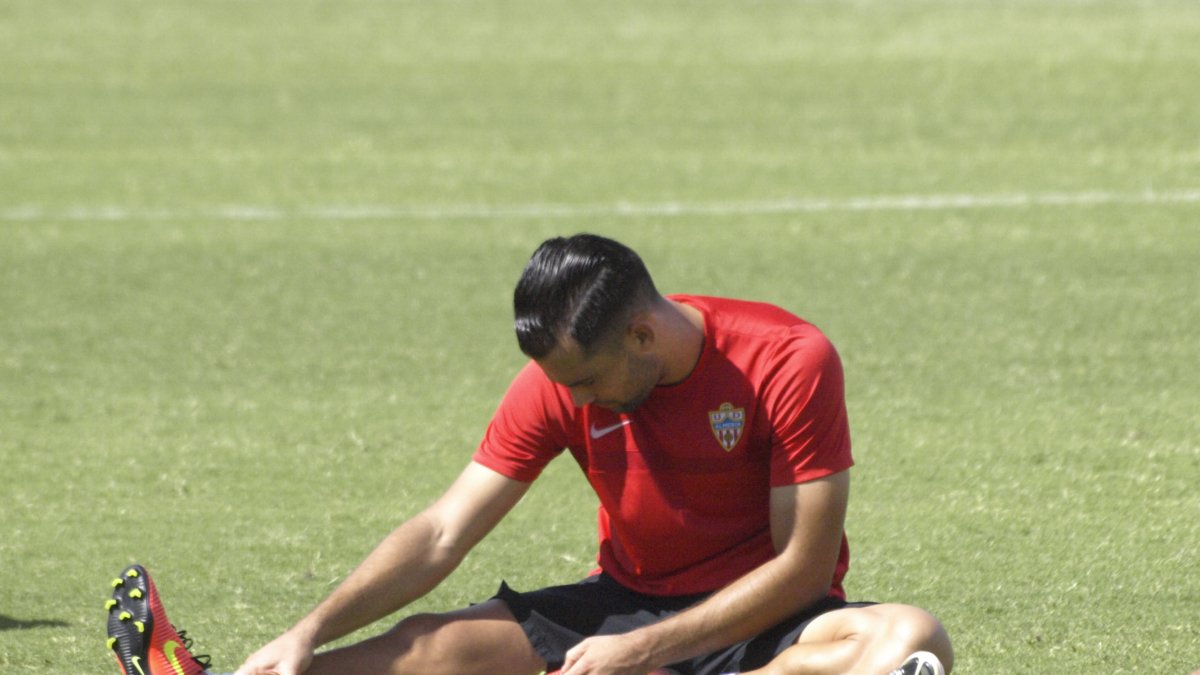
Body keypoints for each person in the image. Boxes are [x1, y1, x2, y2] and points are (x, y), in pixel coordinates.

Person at [105, 233, 953, 675]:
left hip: (764, 619)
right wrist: (307, 630)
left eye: (585, 381)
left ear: (643, 333)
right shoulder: (562, 378)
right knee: (429, 645)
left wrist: (646, 654)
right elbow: (444, 532)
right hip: (624, 606)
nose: (572, 403)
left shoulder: (788, 359)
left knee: (911, 635)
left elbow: (804, 568)